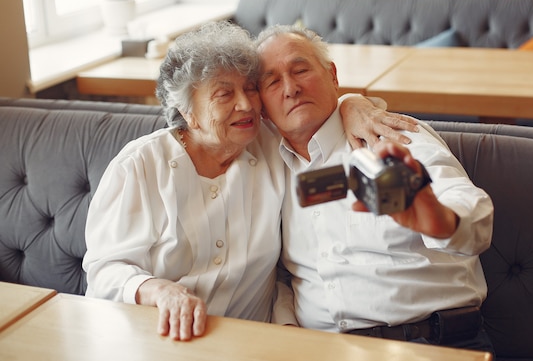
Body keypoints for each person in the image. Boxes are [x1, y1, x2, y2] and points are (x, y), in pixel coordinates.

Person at [82, 21, 418, 342]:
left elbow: (319, 124)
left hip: (249, 345)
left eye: (250, 89)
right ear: (188, 113)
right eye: (224, 95)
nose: (245, 105)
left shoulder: (274, 146)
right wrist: (158, 290)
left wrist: (350, 103)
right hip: (160, 339)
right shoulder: (140, 166)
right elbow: (104, 270)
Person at [255, 24, 496, 355]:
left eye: (301, 70)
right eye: (272, 81)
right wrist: (288, 327)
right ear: (262, 107)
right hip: (321, 350)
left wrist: (437, 219)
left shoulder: (388, 137)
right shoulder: (269, 167)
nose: (291, 88)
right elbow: (280, 274)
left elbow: (472, 209)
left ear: (332, 75)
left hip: (428, 342)